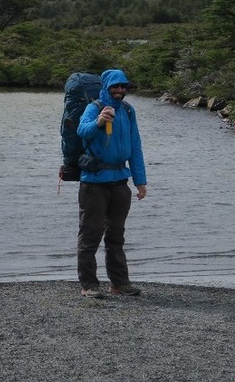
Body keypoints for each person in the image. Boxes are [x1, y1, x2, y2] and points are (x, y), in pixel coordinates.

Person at [75, 68, 147, 298]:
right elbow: (81, 131)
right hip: (94, 183)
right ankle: (89, 285)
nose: (119, 90)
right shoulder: (94, 108)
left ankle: (119, 283)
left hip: (119, 182)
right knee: (91, 234)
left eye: (123, 86)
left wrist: (140, 181)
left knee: (116, 235)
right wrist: (98, 122)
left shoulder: (127, 110)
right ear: (106, 87)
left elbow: (135, 146)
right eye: (115, 86)